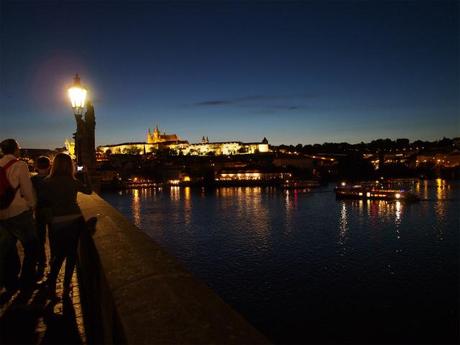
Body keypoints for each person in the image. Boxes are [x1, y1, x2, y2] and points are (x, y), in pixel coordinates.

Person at [42, 153, 91, 297]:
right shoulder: (73, 181)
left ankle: (51, 283)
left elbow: (44, 203)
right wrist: (86, 174)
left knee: (58, 255)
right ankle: (66, 286)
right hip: (74, 220)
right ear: (70, 166)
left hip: (56, 222)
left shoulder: (46, 182)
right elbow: (89, 191)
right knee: (71, 255)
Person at [0, 139, 38, 295]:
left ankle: (11, 282)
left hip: (1, 214)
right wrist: (32, 204)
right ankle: (27, 282)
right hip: (18, 212)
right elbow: (27, 189)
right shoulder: (20, 165)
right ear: (15, 150)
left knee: (9, 249)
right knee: (32, 248)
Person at [31, 156, 52, 279]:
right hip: (51, 210)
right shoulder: (52, 179)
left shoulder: (33, 180)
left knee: (40, 238)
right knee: (53, 237)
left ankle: (42, 260)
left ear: (37, 167)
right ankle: (53, 260)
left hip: (39, 211)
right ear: (49, 166)